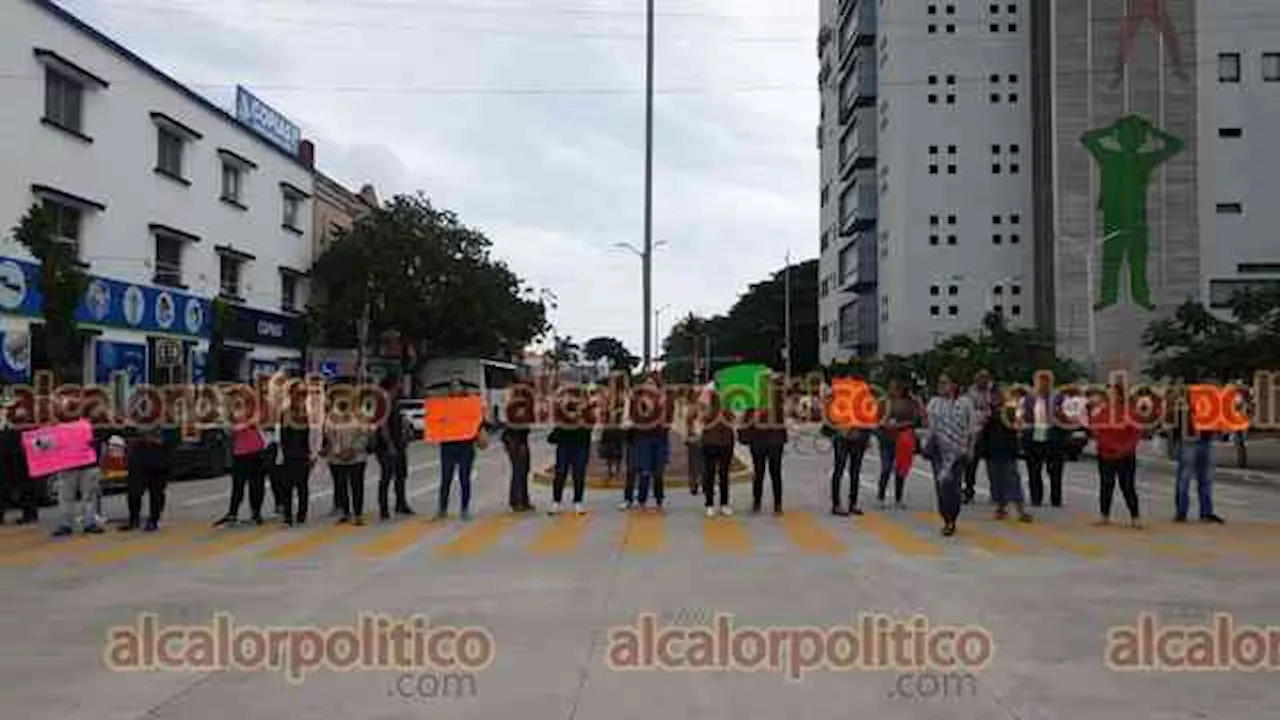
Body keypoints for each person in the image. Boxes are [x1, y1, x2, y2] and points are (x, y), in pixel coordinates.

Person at [923, 369, 978, 537]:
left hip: (958, 451)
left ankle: (952, 518)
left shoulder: (965, 403)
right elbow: (930, 427)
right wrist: (926, 445)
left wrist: (971, 448)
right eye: (939, 383)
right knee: (941, 486)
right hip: (939, 450)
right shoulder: (934, 403)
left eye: (944, 383)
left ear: (954, 385)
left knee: (953, 486)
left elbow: (972, 428)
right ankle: (946, 518)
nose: (941, 386)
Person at [1168, 381, 1225, 524]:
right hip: (1190, 441)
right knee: (1189, 478)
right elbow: (1174, 424)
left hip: (1201, 440)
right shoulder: (1183, 404)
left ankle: (1198, 512)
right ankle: (1189, 512)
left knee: (1200, 478)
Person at [1090, 382, 1143, 528]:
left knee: (1127, 486)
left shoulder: (1129, 412)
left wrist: (1125, 448)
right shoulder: (1102, 412)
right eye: (1108, 393)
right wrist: (1111, 446)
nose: (1110, 396)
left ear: (1120, 395)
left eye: (1113, 393)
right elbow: (1097, 431)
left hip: (1125, 454)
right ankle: (1104, 515)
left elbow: (1135, 433)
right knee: (1106, 484)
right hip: (1106, 454)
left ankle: (1135, 516)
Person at [277, 378, 323, 527]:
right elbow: (282, 437)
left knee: (302, 486)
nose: (300, 396)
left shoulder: (310, 413)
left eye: (303, 393)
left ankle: (301, 514)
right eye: (297, 393)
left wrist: (314, 454)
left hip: (304, 455)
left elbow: (315, 434)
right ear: (290, 394)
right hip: (290, 455)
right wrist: (281, 455)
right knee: (287, 487)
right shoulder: (285, 413)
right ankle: (288, 516)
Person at [51, 414, 106, 537]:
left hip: (81, 464)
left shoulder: (91, 423)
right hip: (76, 465)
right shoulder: (88, 424)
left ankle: (77, 524)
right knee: (76, 496)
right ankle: (83, 523)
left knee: (76, 496)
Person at [825, 377, 872, 517]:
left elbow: (868, 414)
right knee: (840, 470)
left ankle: (852, 503)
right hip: (843, 437)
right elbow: (829, 414)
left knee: (854, 471)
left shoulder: (863, 393)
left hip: (857, 437)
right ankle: (837, 504)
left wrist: (867, 436)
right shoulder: (837, 393)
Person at [436, 380, 483, 521]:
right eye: (453, 387)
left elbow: (478, 422)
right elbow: (437, 421)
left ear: (463, 389)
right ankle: (442, 509)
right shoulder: (443, 405)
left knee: (464, 479)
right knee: (446, 479)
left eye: (458, 386)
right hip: (448, 446)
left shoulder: (470, 405)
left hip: (465, 447)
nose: (455, 389)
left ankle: (464, 509)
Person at [1019, 374, 1067, 508]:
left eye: (1046, 382)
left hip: (1053, 436)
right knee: (1034, 469)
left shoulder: (1058, 397)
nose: (1043, 385)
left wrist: (1061, 416)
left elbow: (1065, 415)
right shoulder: (1029, 398)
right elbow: (1023, 416)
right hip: (1034, 436)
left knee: (1055, 469)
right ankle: (1036, 497)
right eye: (1040, 382)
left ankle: (1056, 498)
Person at [985, 386, 1032, 523]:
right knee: (996, 482)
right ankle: (1000, 508)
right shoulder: (989, 413)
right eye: (993, 396)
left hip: (1008, 451)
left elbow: (1019, 425)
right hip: (992, 451)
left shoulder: (1010, 411)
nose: (995, 399)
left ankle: (1020, 510)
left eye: (997, 396)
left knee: (1012, 480)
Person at [215, 413, 271, 527]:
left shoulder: (255, 410)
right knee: (238, 484)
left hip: (256, 451)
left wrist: (240, 425)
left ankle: (256, 514)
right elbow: (229, 430)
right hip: (240, 452)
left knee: (256, 484)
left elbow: (257, 422)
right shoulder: (233, 412)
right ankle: (232, 514)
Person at [323, 400, 372, 526]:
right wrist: (339, 451)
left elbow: (365, 434)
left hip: (357, 456)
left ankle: (358, 514)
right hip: (337, 457)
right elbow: (329, 434)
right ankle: (345, 513)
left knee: (357, 486)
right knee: (341, 485)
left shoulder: (360, 415)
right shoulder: (331, 416)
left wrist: (353, 450)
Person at [548, 384, 593, 516]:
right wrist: (564, 409)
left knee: (579, 473)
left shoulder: (588, 409)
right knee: (560, 472)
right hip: (564, 443)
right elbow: (557, 421)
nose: (573, 399)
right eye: (570, 395)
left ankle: (578, 502)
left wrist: (580, 413)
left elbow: (590, 424)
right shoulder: (561, 408)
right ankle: (556, 502)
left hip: (581, 444)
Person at [740, 389, 786, 515]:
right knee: (759, 472)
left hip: (775, 441)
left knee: (775, 472)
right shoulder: (752, 402)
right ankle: (757, 501)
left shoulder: (776, 399)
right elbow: (747, 421)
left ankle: (778, 504)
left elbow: (781, 418)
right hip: (758, 441)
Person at [120, 421, 171, 532]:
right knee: (134, 491)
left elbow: (167, 440)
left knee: (156, 493)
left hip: (159, 460)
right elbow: (126, 435)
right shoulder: (134, 419)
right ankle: (134, 519)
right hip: (138, 460)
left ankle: (153, 520)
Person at [630, 373, 671, 512]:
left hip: (660, 438)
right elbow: (634, 418)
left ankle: (659, 501)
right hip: (644, 438)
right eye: (647, 383)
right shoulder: (638, 400)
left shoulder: (664, 400)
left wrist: (661, 407)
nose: (649, 387)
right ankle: (642, 501)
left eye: (652, 384)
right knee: (645, 470)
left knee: (658, 472)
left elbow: (668, 421)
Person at [876, 378, 920, 510]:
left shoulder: (908, 403)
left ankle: (898, 498)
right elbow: (876, 419)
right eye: (891, 387)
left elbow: (914, 420)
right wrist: (883, 424)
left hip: (902, 439)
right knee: (886, 468)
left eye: (895, 388)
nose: (893, 390)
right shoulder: (883, 402)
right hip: (886, 439)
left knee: (900, 470)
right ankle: (881, 496)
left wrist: (900, 425)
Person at [376, 378, 414, 520]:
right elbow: (383, 426)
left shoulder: (395, 402)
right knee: (386, 476)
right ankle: (384, 509)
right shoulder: (383, 402)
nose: (400, 387)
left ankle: (401, 503)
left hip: (399, 443)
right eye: (398, 384)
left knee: (401, 474)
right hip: (387, 446)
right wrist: (390, 445)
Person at [0, 398, 38, 525]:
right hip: (4, 453)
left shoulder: (21, 413)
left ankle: (30, 513)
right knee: (3, 486)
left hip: (19, 454)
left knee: (24, 485)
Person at [697, 393, 736, 518]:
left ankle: (724, 504)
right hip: (710, 442)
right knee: (710, 473)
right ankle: (709, 504)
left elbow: (733, 420)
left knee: (724, 474)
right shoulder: (705, 403)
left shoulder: (728, 404)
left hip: (726, 442)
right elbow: (700, 419)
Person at [964, 370, 999, 504]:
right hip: (976, 430)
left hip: (991, 431)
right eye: (981, 378)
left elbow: (996, 407)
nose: (984, 381)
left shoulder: (992, 393)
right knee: (971, 464)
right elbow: (970, 411)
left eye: (986, 378)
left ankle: (996, 492)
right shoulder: (970, 394)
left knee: (993, 463)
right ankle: (968, 490)